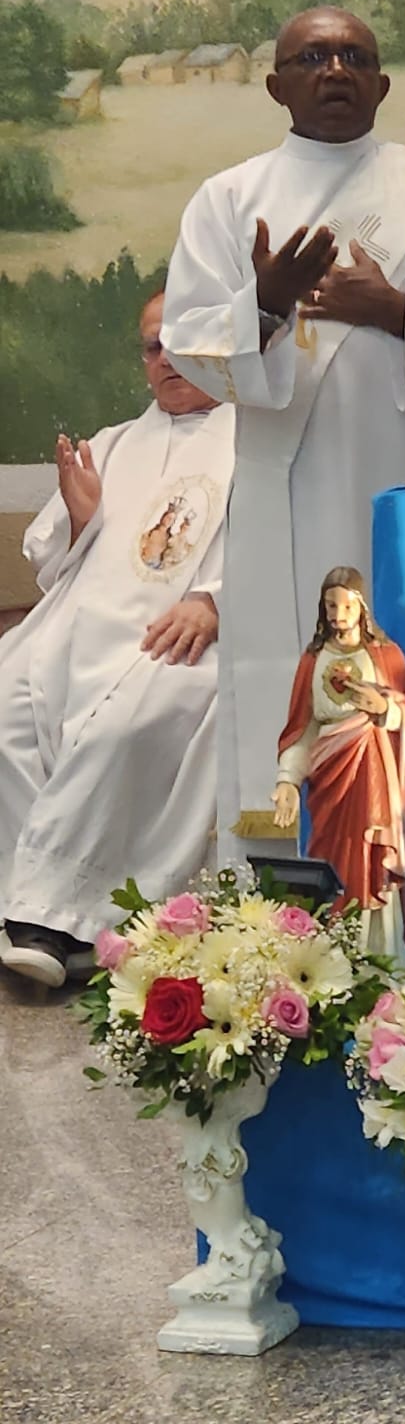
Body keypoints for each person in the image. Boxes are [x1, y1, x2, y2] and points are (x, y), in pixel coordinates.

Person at [160, 6, 405, 866]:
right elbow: (192, 352)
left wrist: (392, 310)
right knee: (285, 676)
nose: (335, 69)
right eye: (313, 56)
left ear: (382, 84)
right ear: (277, 84)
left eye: (355, 56)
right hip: (288, 488)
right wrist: (265, 303)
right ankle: (288, 898)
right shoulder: (229, 199)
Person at [0, 293, 234, 987]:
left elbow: (283, 542)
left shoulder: (258, 439)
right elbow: (52, 563)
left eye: (180, 342)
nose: (164, 359)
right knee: (7, 707)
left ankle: (64, 918)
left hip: (182, 639)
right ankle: (20, 900)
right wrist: (81, 521)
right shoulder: (112, 442)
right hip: (82, 625)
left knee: (124, 726)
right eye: (151, 347)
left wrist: (217, 600)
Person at [272, 567, 405, 957]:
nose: (338, 613)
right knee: (329, 861)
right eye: (330, 605)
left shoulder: (385, 656)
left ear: (362, 609)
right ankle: (330, 954)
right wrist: (287, 781)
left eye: (346, 605)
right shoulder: (313, 660)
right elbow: (301, 729)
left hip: (372, 774)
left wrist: (386, 708)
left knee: (369, 856)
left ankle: (378, 952)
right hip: (327, 779)